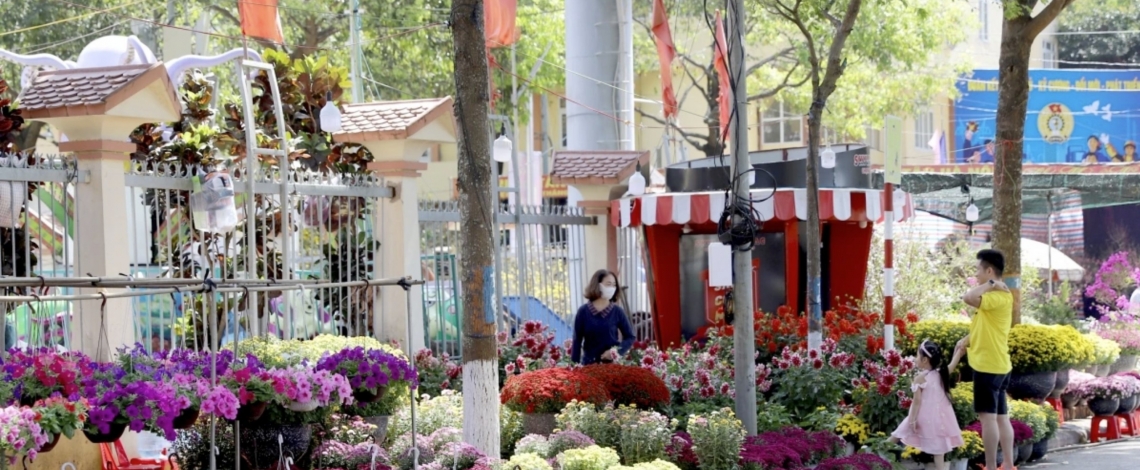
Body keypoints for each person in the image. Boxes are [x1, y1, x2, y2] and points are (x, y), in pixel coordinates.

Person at [949, 249, 1015, 470]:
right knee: (1001, 417)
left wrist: (991, 284)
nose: (976, 274)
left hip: (988, 366)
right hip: (999, 364)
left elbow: (968, 297)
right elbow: (988, 326)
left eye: (978, 269)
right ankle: (1008, 464)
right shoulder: (1000, 297)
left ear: (989, 271)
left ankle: (990, 466)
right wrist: (967, 340)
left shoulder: (996, 296)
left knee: (988, 418)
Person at [890, 340, 964, 470]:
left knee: (897, 435)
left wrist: (912, 420)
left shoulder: (920, 378)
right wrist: (959, 351)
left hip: (921, 416)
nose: (915, 358)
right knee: (939, 451)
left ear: (925, 360)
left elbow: (916, 402)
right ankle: (875, 455)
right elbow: (953, 363)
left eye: (917, 355)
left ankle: (875, 455)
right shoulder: (941, 373)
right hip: (939, 419)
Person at [571, 269, 635, 365]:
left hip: (611, 366)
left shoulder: (617, 311)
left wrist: (615, 352)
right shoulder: (583, 312)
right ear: (598, 285)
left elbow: (630, 337)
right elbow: (577, 340)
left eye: (614, 285)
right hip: (589, 366)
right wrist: (573, 367)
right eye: (608, 284)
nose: (612, 288)